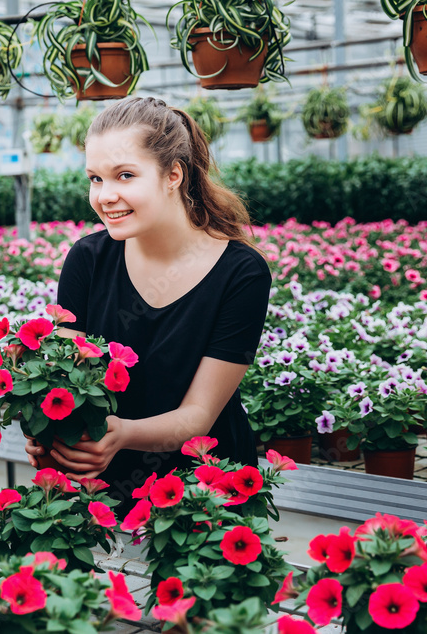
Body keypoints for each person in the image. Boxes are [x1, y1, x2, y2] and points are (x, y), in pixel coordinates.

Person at [24, 96, 273, 512]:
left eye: (124, 175)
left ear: (173, 174)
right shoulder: (88, 259)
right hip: (100, 487)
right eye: (95, 179)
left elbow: (197, 416)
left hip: (204, 491)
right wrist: (47, 430)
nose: (105, 196)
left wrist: (122, 434)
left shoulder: (241, 273)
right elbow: (64, 380)